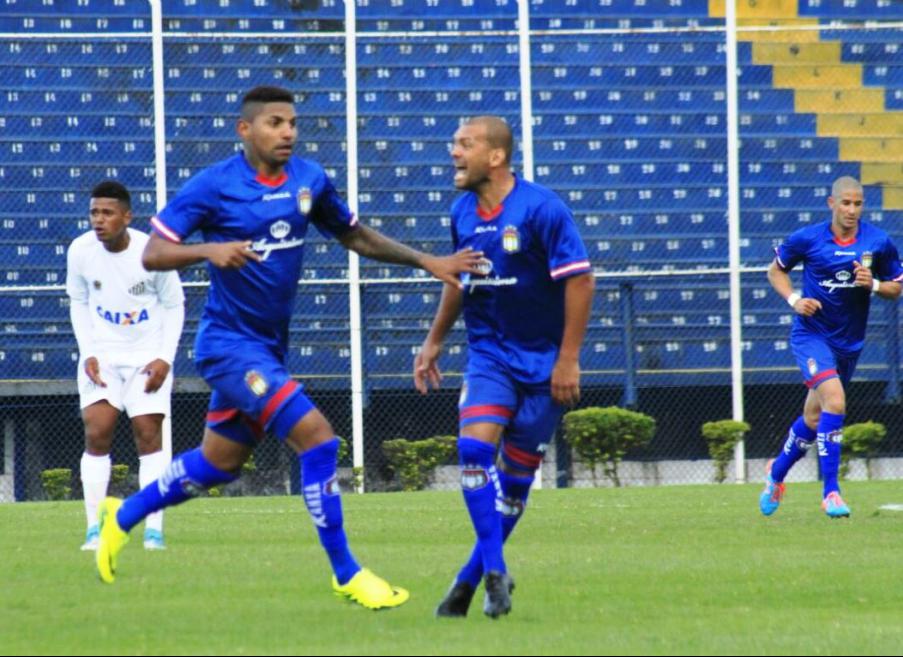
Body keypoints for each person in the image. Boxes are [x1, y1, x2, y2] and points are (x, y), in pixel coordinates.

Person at [93, 86, 485, 611]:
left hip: (267, 350)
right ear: (245, 130)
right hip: (228, 347)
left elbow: (355, 235)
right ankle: (347, 573)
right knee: (319, 442)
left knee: (219, 463)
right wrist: (211, 248)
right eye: (275, 123)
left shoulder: (308, 179)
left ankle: (121, 516)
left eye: (293, 123)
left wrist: (428, 262)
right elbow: (155, 253)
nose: (288, 132)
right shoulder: (215, 186)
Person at [413, 116, 595, 618]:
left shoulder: (541, 208)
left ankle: (468, 581)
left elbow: (580, 282)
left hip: (543, 365)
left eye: (465, 144)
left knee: (514, 486)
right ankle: (495, 569)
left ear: (495, 156)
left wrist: (568, 359)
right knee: (473, 451)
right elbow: (459, 279)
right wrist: (433, 342)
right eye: (454, 143)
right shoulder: (460, 212)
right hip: (489, 354)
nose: (453, 152)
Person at [760, 176, 902, 519]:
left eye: (858, 204)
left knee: (813, 415)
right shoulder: (808, 239)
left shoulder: (878, 242)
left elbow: (897, 287)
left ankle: (775, 476)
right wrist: (795, 299)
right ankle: (831, 492)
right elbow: (775, 271)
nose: (852, 210)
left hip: (848, 343)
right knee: (835, 401)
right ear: (831, 203)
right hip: (811, 336)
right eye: (846, 203)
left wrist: (875, 284)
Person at [66, 180, 185, 551]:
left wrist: (165, 357)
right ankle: (94, 529)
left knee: (148, 435)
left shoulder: (152, 252)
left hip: (146, 357)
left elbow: (175, 305)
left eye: (107, 213)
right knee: (97, 432)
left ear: (126, 216)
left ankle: (154, 529)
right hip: (103, 357)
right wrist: (89, 352)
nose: (98, 220)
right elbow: (79, 301)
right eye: (93, 213)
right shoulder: (81, 251)